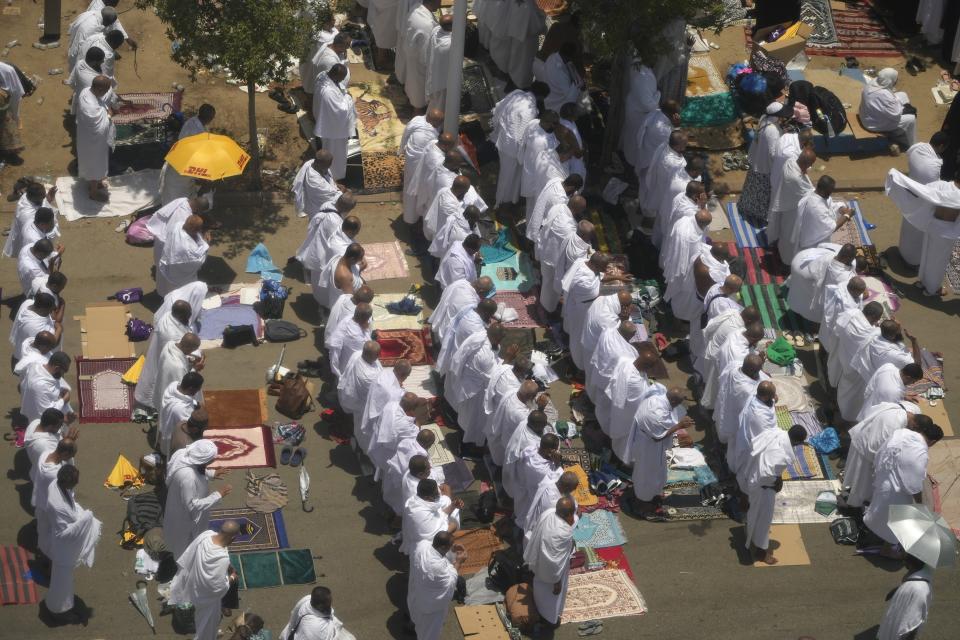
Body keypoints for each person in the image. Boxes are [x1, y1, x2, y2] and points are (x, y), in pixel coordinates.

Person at [863, 421, 943, 558]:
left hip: (883, 477)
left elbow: (882, 451)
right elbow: (914, 484)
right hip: (896, 490)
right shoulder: (920, 453)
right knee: (895, 520)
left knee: (878, 508)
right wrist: (919, 503)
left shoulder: (900, 433)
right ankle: (887, 549)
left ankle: (873, 531)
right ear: (933, 441)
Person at [40, 466, 100, 625]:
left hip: (62, 549)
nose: (77, 484)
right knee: (62, 582)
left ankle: (60, 605)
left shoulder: (56, 485)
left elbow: (70, 503)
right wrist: (85, 520)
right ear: (67, 483)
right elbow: (62, 534)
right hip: (62, 550)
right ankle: (57, 611)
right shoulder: (58, 505)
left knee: (63, 580)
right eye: (75, 482)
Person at [742, 425, 806, 564]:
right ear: (796, 442)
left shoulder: (775, 432)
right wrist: (775, 482)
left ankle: (751, 534)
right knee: (764, 519)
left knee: (754, 512)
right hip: (763, 486)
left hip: (753, 475)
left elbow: (755, 444)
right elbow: (767, 474)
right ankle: (761, 551)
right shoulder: (780, 455)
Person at [135, 284, 207, 408]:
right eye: (188, 314)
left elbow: (182, 343)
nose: (190, 316)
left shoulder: (168, 318)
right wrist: (196, 366)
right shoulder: (176, 361)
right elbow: (183, 382)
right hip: (173, 390)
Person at [844, 403, 926, 509]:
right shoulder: (894, 426)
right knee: (861, 481)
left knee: (857, 475)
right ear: (914, 425)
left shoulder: (900, 410)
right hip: (866, 448)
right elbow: (880, 448)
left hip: (865, 436)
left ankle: (854, 495)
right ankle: (854, 505)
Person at [167, 521, 240, 640]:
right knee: (208, 622)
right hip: (204, 597)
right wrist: (231, 577)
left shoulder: (205, 535)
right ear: (233, 538)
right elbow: (217, 588)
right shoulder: (222, 559)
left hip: (191, 583)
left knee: (200, 616)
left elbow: (190, 553)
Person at [629, 386, 693, 516]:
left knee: (657, 472)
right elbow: (657, 437)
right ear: (674, 402)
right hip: (649, 447)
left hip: (651, 445)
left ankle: (653, 494)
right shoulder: (656, 414)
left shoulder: (658, 397)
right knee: (647, 475)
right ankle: (643, 503)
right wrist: (679, 426)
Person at [562, 253, 632, 370]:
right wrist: (622, 289)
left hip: (579, 303)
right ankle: (579, 365)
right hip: (581, 311)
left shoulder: (583, 262)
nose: (607, 270)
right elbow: (600, 290)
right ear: (596, 266)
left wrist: (618, 278)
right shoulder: (586, 284)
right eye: (604, 268)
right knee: (580, 337)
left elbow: (599, 276)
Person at [164, 439, 230, 560]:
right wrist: (218, 495)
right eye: (210, 460)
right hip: (184, 516)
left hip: (180, 499)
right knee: (184, 543)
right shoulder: (188, 478)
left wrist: (212, 473)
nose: (212, 461)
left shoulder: (183, 454)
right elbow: (192, 506)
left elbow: (196, 467)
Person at [490, 83, 550, 206]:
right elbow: (522, 133)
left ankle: (510, 199)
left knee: (508, 174)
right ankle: (500, 202)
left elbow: (498, 108)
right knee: (508, 176)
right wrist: (522, 152)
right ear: (541, 97)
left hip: (503, 140)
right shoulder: (530, 109)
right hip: (512, 147)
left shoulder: (516, 94)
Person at [523, 497, 576, 627]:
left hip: (539, 563)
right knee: (551, 599)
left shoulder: (549, 513)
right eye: (572, 513)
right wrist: (557, 582)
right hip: (552, 576)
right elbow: (555, 563)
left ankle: (541, 611)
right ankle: (550, 620)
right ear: (568, 514)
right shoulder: (563, 532)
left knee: (540, 590)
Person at [899, 132, 949, 268]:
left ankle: (903, 253)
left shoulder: (917, 148)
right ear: (941, 146)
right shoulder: (933, 167)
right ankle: (913, 261)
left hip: (910, 196)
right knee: (918, 233)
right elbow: (935, 191)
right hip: (922, 204)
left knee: (908, 229)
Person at [407, 531, 466, 640]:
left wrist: (451, 550)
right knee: (428, 635)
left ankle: (412, 627)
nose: (452, 546)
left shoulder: (421, 545)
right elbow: (451, 582)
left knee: (416, 617)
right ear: (444, 547)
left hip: (417, 595)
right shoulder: (438, 568)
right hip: (430, 609)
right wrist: (459, 562)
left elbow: (439, 555)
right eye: (451, 544)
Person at [739, 102, 788, 224]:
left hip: (756, 160)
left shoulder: (764, 119)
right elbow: (772, 153)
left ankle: (749, 208)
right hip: (765, 166)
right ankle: (759, 215)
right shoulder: (772, 131)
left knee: (753, 188)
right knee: (762, 192)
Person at [786, 243, 854, 323]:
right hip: (815, 292)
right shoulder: (845, 276)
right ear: (848, 258)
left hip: (801, 270)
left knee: (801, 296)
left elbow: (813, 268)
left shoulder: (827, 257)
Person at [75, 75, 116, 202]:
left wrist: (105, 110)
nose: (105, 93)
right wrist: (109, 115)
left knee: (94, 162)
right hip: (94, 141)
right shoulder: (91, 107)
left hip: (87, 137)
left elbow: (101, 104)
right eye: (105, 90)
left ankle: (96, 182)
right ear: (98, 89)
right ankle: (93, 192)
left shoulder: (85, 90)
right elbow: (99, 124)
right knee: (96, 163)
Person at [313, 65, 357, 181]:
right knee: (335, 152)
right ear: (336, 75)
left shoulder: (322, 75)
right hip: (333, 130)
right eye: (341, 78)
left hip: (328, 122)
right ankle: (334, 175)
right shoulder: (328, 92)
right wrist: (348, 98)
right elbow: (340, 110)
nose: (342, 81)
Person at [715, 354, 770, 447]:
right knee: (733, 439)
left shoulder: (734, 365)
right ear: (753, 373)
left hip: (726, 405)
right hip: (735, 417)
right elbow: (761, 397)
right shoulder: (748, 390)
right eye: (758, 371)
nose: (760, 373)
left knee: (722, 424)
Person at [774, 148, 817, 263]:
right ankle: (787, 261)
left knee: (785, 231)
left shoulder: (791, 161)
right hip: (793, 208)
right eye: (810, 165)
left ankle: (782, 251)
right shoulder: (795, 179)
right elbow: (810, 193)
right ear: (806, 164)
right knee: (791, 235)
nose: (810, 168)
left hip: (787, 202)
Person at [876, 554, 934, 640]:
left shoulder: (919, 590)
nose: (903, 561)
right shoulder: (919, 576)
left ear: (910, 564)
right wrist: (898, 589)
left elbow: (912, 623)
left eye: (905, 559)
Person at [358, 360, 411, 452]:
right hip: (379, 421)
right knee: (374, 445)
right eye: (407, 376)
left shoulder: (383, 372)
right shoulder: (396, 394)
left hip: (366, 411)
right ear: (403, 375)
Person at [401, 108, 443, 224]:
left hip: (411, 162)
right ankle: (414, 218)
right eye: (439, 123)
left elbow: (405, 134)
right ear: (433, 122)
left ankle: (410, 217)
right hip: (421, 167)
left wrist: (401, 149)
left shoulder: (417, 120)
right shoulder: (431, 139)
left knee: (410, 190)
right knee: (419, 191)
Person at [792, 175, 854, 254]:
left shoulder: (815, 192)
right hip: (812, 243)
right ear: (823, 190)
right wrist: (847, 215)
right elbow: (832, 228)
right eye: (830, 191)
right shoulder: (816, 208)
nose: (831, 193)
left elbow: (829, 204)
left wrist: (841, 209)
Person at [859, 67, 916, 150]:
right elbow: (896, 115)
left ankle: (899, 132)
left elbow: (887, 100)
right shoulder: (885, 95)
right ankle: (912, 145)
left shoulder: (873, 82)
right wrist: (905, 109)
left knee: (903, 94)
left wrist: (901, 105)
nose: (896, 81)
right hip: (872, 124)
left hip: (866, 115)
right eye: (895, 79)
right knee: (911, 118)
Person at [730, 381, 779, 476]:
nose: (774, 397)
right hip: (754, 443)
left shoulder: (758, 396)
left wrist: (773, 398)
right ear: (765, 397)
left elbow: (773, 399)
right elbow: (764, 438)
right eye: (772, 395)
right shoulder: (758, 416)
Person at [400, 479, 462, 555]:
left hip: (421, 536)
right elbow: (436, 536)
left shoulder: (413, 501)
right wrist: (452, 526)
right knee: (453, 525)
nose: (439, 494)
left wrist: (453, 506)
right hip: (427, 547)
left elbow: (441, 514)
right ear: (427, 497)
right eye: (436, 493)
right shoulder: (420, 514)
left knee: (447, 501)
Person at [661, 209, 711, 298]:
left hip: (674, 259)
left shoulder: (684, 220)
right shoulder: (692, 239)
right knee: (679, 288)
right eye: (706, 225)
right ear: (703, 225)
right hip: (681, 268)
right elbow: (695, 257)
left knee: (673, 284)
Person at [400, 0, 440, 111]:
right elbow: (426, 57)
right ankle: (416, 114)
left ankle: (412, 103)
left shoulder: (416, 9)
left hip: (411, 55)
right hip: (420, 64)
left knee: (412, 84)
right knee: (418, 97)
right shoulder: (428, 25)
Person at [621, 58, 660, 168]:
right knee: (637, 142)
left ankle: (633, 162)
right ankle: (636, 165)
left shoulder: (637, 65)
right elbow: (647, 104)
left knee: (633, 139)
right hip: (639, 113)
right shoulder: (644, 77)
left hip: (635, 109)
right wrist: (658, 94)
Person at [634, 100, 682, 191]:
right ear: (673, 115)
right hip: (652, 163)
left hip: (645, 154)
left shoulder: (654, 113)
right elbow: (677, 142)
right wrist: (677, 126)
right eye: (678, 113)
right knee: (650, 186)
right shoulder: (663, 130)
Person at [3, 181, 57, 259]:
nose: (44, 199)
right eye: (42, 197)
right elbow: (42, 223)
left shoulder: (27, 196)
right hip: (25, 237)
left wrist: (48, 199)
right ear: (35, 199)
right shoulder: (28, 216)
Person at [428, 277, 492, 342]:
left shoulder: (460, 282)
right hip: (444, 336)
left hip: (438, 322)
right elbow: (470, 325)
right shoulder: (471, 304)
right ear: (481, 291)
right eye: (486, 294)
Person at [157, 215, 209, 296]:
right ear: (192, 229)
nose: (200, 231)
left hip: (171, 270)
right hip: (182, 276)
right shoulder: (186, 247)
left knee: (171, 292)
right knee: (183, 294)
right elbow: (199, 260)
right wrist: (206, 242)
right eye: (198, 229)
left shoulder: (177, 225)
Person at [521, 471, 579, 543]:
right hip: (542, 535)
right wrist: (575, 515)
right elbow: (562, 522)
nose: (571, 492)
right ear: (567, 488)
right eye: (572, 489)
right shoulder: (553, 503)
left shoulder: (551, 481)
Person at [280, 586, 357, 640]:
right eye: (329, 603)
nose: (331, 605)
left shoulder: (306, 599)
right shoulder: (318, 627)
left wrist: (289, 632)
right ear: (320, 606)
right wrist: (336, 625)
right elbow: (333, 636)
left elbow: (293, 617)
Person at [155, 333, 204, 416]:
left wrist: (188, 361)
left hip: (162, 384)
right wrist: (195, 369)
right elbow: (184, 385)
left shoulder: (169, 345)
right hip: (172, 401)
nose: (191, 353)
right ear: (188, 347)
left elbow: (180, 356)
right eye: (192, 350)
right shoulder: (178, 367)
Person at [158, 371, 205, 457]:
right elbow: (189, 428)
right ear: (191, 388)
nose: (198, 391)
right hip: (173, 440)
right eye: (198, 389)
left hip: (164, 431)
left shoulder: (172, 386)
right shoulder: (182, 409)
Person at [9, 293, 63, 366]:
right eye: (50, 310)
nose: (52, 312)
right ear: (42, 309)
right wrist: (59, 329)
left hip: (22, 356)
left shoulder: (28, 303)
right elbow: (52, 344)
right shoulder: (35, 327)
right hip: (31, 364)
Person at [20, 352, 75, 423]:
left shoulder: (35, 366)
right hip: (40, 422)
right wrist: (64, 400)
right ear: (57, 368)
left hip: (32, 408)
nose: (63, 374)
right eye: (64, 371)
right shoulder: (41, 386)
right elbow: (47, 413)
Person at [504, 0, 546, 88]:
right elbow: (537, 24)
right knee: (525, 62)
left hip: (515, 35)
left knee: (516, 58)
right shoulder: (530, 5)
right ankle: (523, 84)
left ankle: (514, 79)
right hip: (528, 40)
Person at [327, 304, 374, 378]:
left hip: (343, 364)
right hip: (353, 367)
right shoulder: (358, 337)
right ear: (366, 319)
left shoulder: (348, 318)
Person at [292, 149, 341, 218]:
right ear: (319, 163)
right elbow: (332, 196)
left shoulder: (313, 162)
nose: (329, 167)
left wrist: (335, 185)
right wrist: (342, 191)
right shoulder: (314, 180)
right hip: (318, 211)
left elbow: (328, 178)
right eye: (327, 165)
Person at [316, 242, 366, 308]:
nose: (360, 261)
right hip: (343, 305)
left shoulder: (341, 257)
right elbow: (350, 298)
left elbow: (360, 265)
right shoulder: (344, 276)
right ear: (352, 259)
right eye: (359, 259)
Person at [67, 7, 118, 71]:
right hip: (80, 56)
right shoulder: (94, 28)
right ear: (107, 21)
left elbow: (73, 26)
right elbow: (87, 48)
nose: (109, 25)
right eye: (110, 23)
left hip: (74, 44)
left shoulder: (90, 13)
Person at [423, 175, 470, 241]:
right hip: (439, 232)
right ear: (461, 190)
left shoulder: (444, 190)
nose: (467, 192)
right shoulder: (451, 205)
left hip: (435, 225)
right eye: (466, 190)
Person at [542, 42, 585, 112]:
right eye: (575, 57)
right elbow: (570, 98)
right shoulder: (560, 72)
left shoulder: (553, 56)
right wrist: (579, 83)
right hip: (558, 106)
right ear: (569, 57)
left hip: (549, 100)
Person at [425, 15, 453, 112]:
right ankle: (432, 122)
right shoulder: (450, 43)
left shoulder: (436, 30)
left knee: (435, 100)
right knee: (439, 105)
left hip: (434, 73)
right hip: (442, 81)